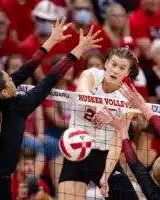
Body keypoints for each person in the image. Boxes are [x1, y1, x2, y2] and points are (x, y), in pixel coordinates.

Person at [0, 18, 102, 200]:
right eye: (9, 79)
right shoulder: (18, 107)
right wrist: (79, 49)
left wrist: (51, 41)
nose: (13, 78)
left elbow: (25, 69)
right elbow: (50, 79)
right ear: (4, 91)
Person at [58, 47, 140, 200]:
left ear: (127, 72)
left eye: (122, 68)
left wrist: (106, 175)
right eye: (113, 64)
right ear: (106, 63)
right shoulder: (91, 74)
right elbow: (83, 91)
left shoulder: (127, 99)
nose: (115, 70)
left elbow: (117, 142)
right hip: (77, 150)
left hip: (103, 156)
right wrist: (98, 107)